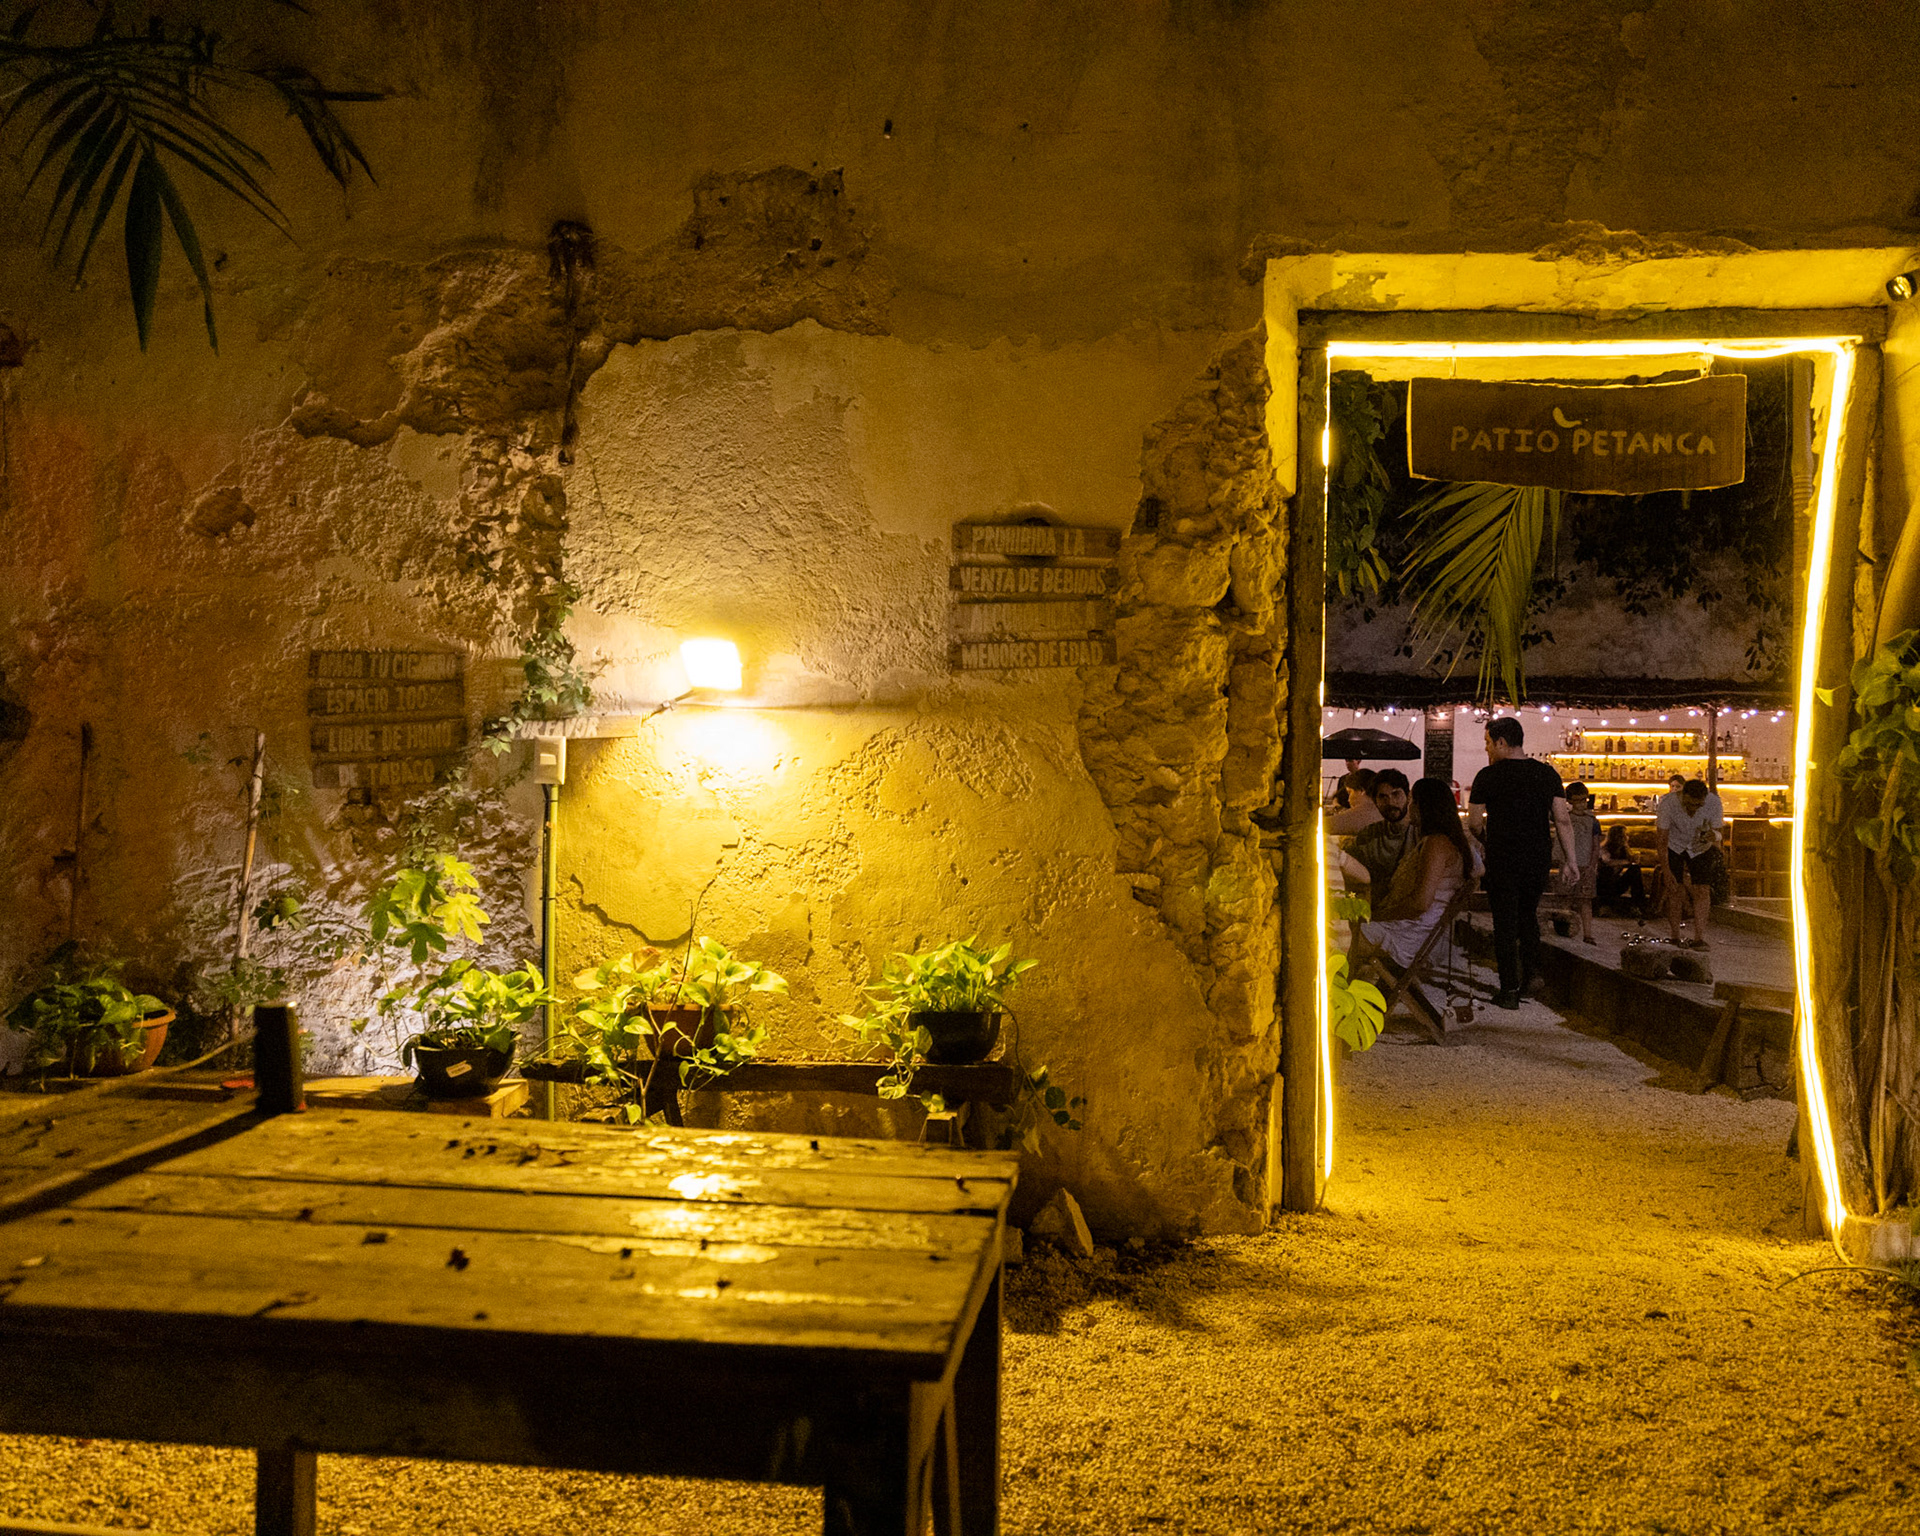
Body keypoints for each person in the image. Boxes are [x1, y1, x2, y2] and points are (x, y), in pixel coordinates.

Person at [1468, 716, 1582, 1010]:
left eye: (1488, 743)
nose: (1487, 749)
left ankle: (1509, 989)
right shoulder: (1546, 774)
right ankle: (1531, 974)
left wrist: (1486, 839)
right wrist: (1570, 861)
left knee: (1504, 921)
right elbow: (1562, 820)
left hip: (1503, 858)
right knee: (1528, 914)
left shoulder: (1487, 776)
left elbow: (1474, 822)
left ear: (1501, 742)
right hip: (1537, 859)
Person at [1355, 778, 1482, 1026]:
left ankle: (1344, 1010)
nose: (1409, 807)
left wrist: (1376, 915)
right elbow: (1479, 870)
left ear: (1424, 807)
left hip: (1409, 934)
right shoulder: (1451, 841)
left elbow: (1419, 904)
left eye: (1412, 801)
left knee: (1336, 937)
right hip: (1420, 932)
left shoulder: (1437, 844)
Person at [1658, 776, 1725, 948]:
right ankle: (1675, 935)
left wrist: (1714, 836)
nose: (1693, 810)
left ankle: (1699, 937)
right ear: (1682, 795)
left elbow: (1718, 832)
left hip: (1700, 846)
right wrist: (1666, 871)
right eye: (1689, 805)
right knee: (1674, 889)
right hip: (1674, 844)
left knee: (1702, 889)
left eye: (1697, 805)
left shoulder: (1714, 803)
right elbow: (1662, 839)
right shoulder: (1667, 804)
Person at [1339, 769, 1414, 895]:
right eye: (1383, 797)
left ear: (1408, 796)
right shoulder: (1370, 835)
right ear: (1375, 801)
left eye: (1396, 794)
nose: (1390, 802)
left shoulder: (1420, 833)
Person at [1562, 782, 1604, 943]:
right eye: (1577, 800)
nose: (1581, 804)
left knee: (1585, 900)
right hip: (1568, 863)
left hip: (1586, 864)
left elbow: (1596, 845)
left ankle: (1587, 934)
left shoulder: (1592, 820)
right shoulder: (1565, 818)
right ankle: (1565, 929)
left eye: (1583, 800)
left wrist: (1592, 865)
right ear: (1570, 801)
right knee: (1566, 898)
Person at [1595, 824, 1649, 918]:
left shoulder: (1623, 850)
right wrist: (1627, 861)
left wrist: (1633, 860)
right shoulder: (1604, 848)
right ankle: (1605, 905)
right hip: (1603, 887)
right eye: (1625, 835)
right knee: (1607, 871)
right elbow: (1607, 862)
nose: (1627, 837)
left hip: (1615, 885)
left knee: (1635, 869)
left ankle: (1639, 904)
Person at [1324, 768, 1381, 836]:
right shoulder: (1381, 809)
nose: (1349, 799)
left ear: (1362, 790)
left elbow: (1326, 825)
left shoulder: (1364, 813)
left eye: (1350, 792)